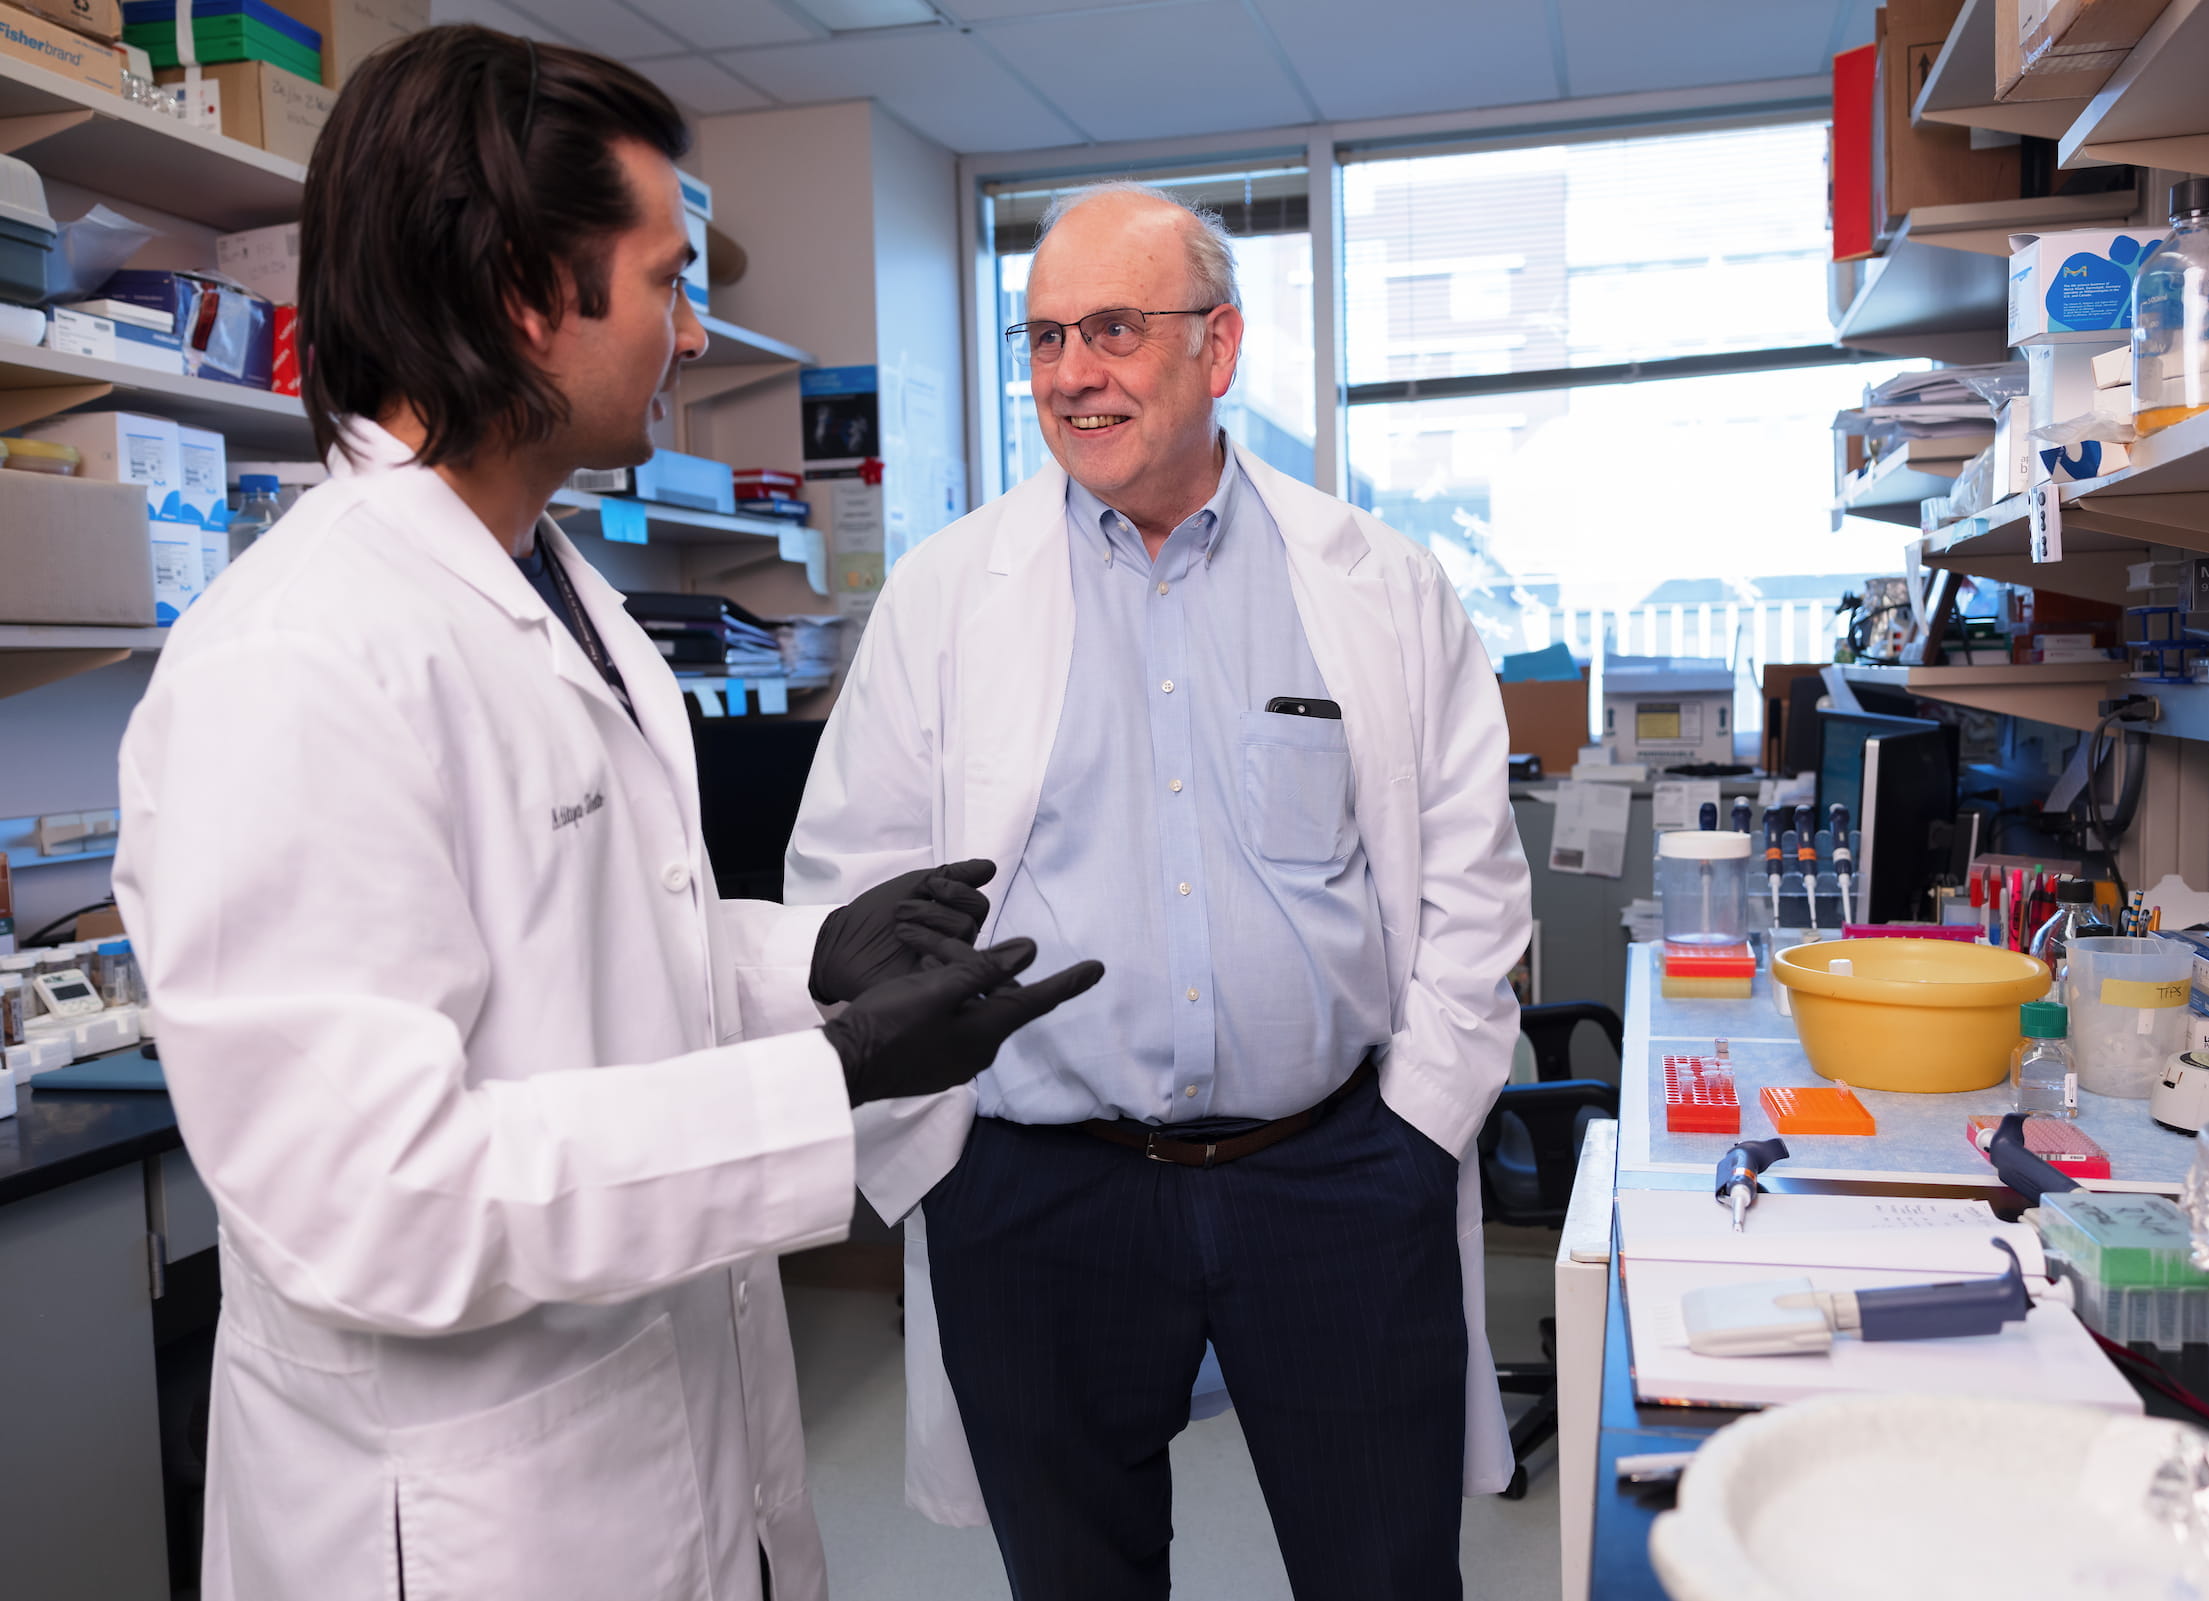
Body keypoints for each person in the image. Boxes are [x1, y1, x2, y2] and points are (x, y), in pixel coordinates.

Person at [110, 27, 1099, 1601]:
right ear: (524, 291)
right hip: (470, 1518)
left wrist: (808, 964)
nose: (694, 333)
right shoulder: (301, 657)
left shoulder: (563, 591)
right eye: (664, 281)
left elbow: (586, 957)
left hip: (673, 1444)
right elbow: (380, 1197)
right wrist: (825, 1080)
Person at [786, 183, 1532, 1599]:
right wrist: (936, 1162)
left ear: (1220, 347)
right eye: (1048, 335)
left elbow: (1473, 890)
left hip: (1330, 1176)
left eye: (1115, 328)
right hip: (1039, 1193)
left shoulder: (1378, 582)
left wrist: (1417, 1132)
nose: (1073, 372)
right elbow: (848, 883)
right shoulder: (949, 597)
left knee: (1383, 1569)